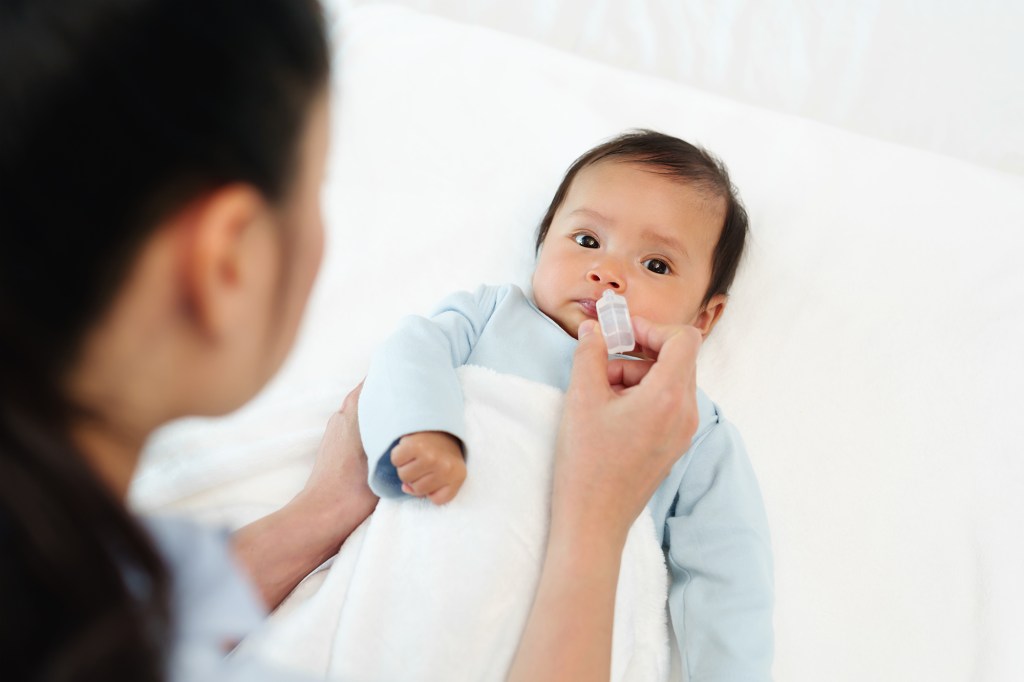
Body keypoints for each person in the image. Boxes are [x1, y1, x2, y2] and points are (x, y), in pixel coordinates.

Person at [0, 1, 704, 681]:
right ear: (224, 263)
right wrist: (595, 521)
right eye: (317, 188)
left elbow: (135, 630)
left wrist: (323, 510)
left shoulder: (70, 586)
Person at [359, 130, 774, 678]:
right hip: (427, 590)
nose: (608, 273)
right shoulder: (489, 317)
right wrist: (426, 429)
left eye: (655, 265)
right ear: (541, 244)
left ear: (703, 318)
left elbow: (730, 578)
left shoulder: (687, 421)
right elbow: (410, 353)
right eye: (586, 240)